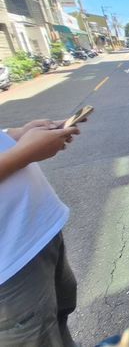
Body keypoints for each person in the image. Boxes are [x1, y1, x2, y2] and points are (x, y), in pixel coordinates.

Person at [0, 120, 80, 346]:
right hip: (10, 266)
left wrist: (16, 134)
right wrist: (23, 152)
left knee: (57, 320)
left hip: (38, 235)